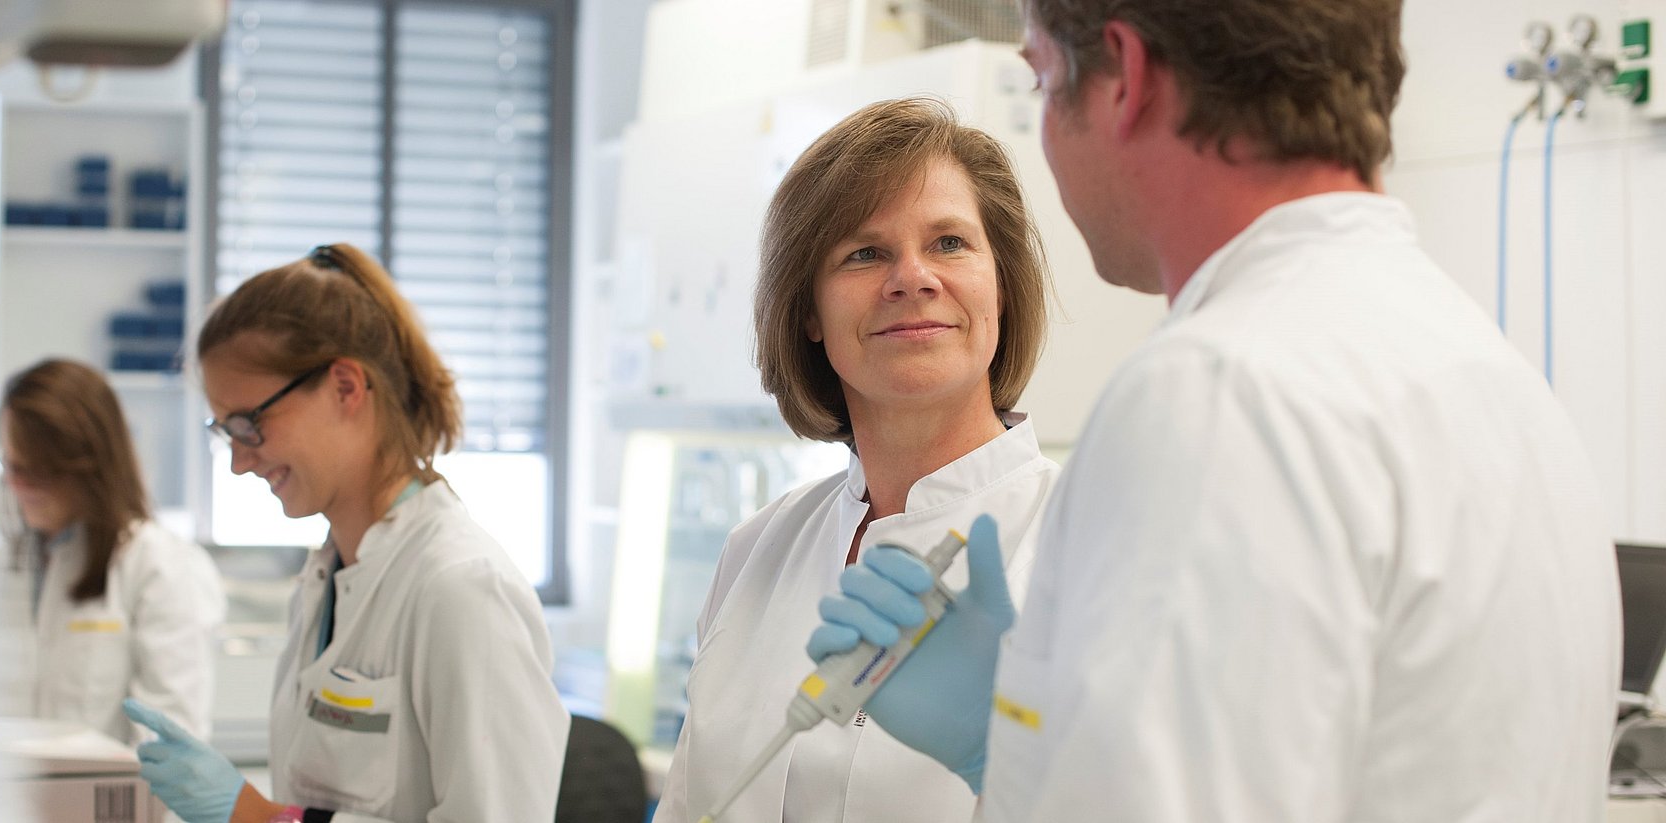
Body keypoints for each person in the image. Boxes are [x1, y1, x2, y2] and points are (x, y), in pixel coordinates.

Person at [810, 1, 1622, 819]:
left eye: (1044, 82)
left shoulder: (1220, 390)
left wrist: (1004, 748)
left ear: (1125, 77)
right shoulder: (1497, 378)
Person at [653, 97, 1060, 823]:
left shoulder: (1085, 545)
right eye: (864, 253)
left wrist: (999, 753)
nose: (913, 278)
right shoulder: (756, 550)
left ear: (1000, 287)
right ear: (809, 312)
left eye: (950, 243)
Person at [120, 243, 568, 823]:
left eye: (249, 423)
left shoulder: (461, 587)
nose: (238, 461)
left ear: (345, 388)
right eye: (224, 430)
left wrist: (263, 819)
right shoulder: (327, 580)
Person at [0, 358, 225, 746]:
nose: (18, 486)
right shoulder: (0, 568)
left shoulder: (157, 565)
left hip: (112, 787)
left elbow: (170, 739)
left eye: (36, 471)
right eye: (10, 465)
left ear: (87, 466)